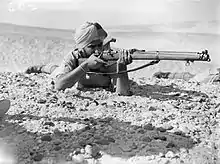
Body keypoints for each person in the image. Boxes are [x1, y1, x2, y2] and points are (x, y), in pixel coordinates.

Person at [25, 22, 159, 95]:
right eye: (92, 46)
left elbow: (123, 92)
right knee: (54, 70)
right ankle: (41, 67)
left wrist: (122, 65)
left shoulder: (109, 56)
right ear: (81, 47)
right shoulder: (74, 56)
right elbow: (59, 85)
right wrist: (86, 66)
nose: (98, 50)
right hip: (68, 72)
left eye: (100, 45)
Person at [153, 68, 220, 84]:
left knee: (184, 75)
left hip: (195, 78)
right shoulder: (216, 76)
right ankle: (163, 75)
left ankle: (163, 75)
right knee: (183, 76)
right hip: (195, 78)